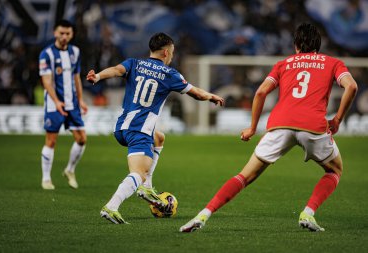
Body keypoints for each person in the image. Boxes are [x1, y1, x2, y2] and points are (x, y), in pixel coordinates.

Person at [180, 23, 358, 233]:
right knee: (334, 170)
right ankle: (308, 213)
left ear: (296, 45)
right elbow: (352, 86)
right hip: (313, 126)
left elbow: (260, 93)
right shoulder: (332, 62)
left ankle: (203, 214)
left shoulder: (284, 64)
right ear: (318, 45)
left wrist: (252, 128)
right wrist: (337, 119)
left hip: (280, 124)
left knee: (244, 176)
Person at [86, 32, 224, 224]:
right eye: (173, 52)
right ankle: (112, 206)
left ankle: (147, 187)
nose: (172, 56)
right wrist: (211, 96)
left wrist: (98, 76)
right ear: (166, 52)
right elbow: (197, 94)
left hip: (122, 127)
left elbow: (116, 70)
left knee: (159, 137)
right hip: (139, 131)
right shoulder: (169, 74)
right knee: (137, 174)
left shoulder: (134, 63)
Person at [39, 20, 88, 190]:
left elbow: (76, 78)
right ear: (55, 33)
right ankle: (46, 179)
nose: (64, 36)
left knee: (82, 139)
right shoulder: (47, 54)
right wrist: (57, 101)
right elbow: (46, 82)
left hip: (72, 103)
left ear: (72, 34)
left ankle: (69, 170)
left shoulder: (75, 52)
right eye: (61, 33)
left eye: (68, 33)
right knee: (51, 141)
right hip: (54, 104)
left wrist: (80, 100)